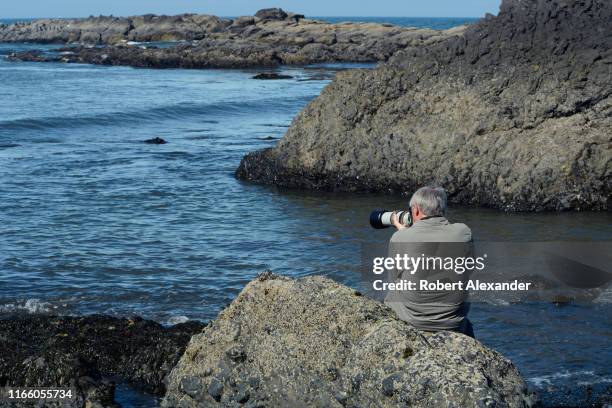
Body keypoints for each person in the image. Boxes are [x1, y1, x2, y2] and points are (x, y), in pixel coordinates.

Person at [384, 186, 475, 337]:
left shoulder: (400, 238)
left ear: (417, 210)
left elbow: (393, 279)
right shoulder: (463, 232)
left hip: (412, 319)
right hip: (453, 322)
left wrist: (403, 234)